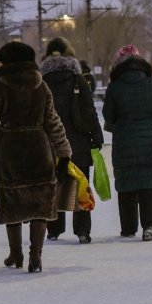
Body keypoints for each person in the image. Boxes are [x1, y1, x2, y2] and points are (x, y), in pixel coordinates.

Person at [0, 41, 72, 273]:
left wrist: (1, 135)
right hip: (40, 148)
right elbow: (53, 121)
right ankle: (36, 256)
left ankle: (16, 253)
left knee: (12, 199)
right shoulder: (41, 86)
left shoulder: (0, 86)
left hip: (10, 150)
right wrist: (64, 152)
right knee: (40, 201)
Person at [39, 37, 104, 244]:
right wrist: (97, 136)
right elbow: (89, 110)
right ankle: (83, 230)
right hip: (79, 140)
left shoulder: (41, 80)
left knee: (54, 183)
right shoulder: (78, 79)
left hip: (51, 142)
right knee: (80, 183)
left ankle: (54, 229)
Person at [102, 45, 152, 242]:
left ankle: (128, 228)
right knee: (148, 185)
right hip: (148, 139)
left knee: (126, 184)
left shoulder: (115, 85)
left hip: (123, 140)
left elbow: (108, 114)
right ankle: (148, 226)